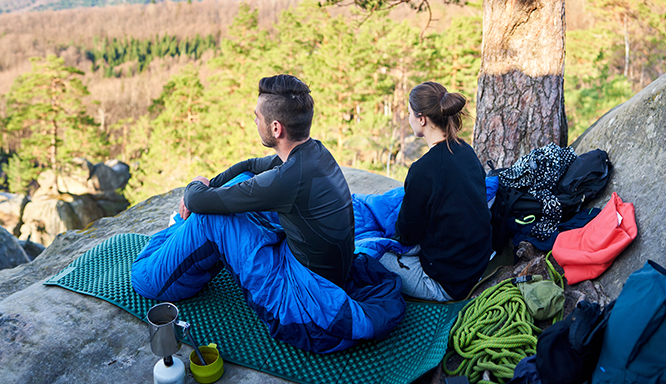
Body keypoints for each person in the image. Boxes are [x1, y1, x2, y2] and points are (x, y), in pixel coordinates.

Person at [132, 74, 405, 354]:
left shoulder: (288, 179)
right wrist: (212, 185)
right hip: (319, 269)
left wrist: (198, 184)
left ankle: (158, 269)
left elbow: (196, 199)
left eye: (257, 117)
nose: (254, 121)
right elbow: (250, 165)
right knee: (237, 186)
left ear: (276, 128)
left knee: (204, 223)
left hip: (302, 297)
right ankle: (181, 235)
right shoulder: (314, 152)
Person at [380, 81, 492, 301]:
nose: (409, 118)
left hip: (449, 283)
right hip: (479, 262)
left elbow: (407, 233)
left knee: (371, 255)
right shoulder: (466, 151)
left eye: (410, 113)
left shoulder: (422, 170)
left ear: (422, 119)